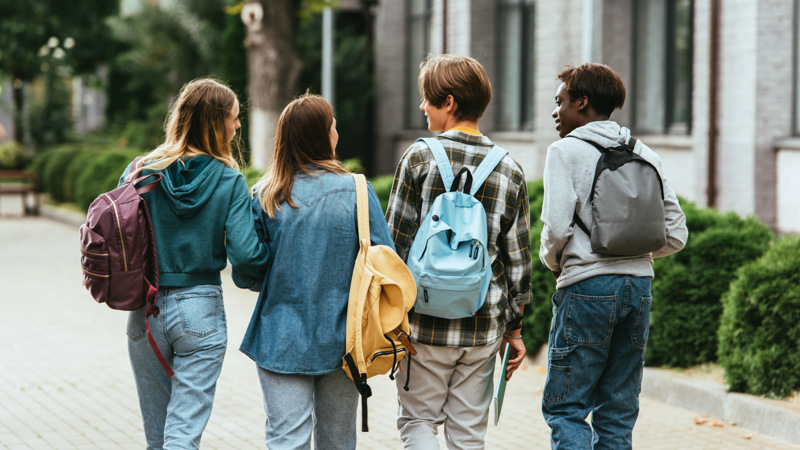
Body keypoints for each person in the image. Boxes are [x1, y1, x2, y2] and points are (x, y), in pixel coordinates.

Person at [384, 54, 532, 449]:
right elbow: (518, 262)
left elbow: (393, 247)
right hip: (482, 324)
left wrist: (388, 317)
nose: (422, 106)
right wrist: (514, 329)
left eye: (427, 99)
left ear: (448, 103)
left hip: (422, 325)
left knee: (417, 421)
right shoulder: (510, 170)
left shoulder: (417, 158)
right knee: (468, 434)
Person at [232, 93, 394, 449]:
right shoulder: (358, 191)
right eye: (333, 125)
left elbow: (246, 274)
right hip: (344, 340)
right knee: (337, 441)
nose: (337, 131)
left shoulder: (264, 195)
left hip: (279, 338)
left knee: (286, 441)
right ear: (323, 135)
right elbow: (386, 263)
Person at [539, 63, 688, 449]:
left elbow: (556, 228)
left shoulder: (563, 151)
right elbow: (677, 233)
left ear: (582, 102)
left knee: (567, 407)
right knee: (618, 409)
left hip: (586, 288)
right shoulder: (644, 153)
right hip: (638, 288)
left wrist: (555, 263)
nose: (555, 111)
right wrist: (632, 253)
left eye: (560, 102)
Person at [121, 78, 270, 449]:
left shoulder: (139, 172)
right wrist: (272, 264)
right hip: (200, 309)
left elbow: (118, 233)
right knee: (183, 432)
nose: (238, 125)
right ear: (216, 123)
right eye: (234, 118)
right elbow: (246, 254)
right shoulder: (229, 180)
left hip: (144, 309)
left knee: (159, 437)